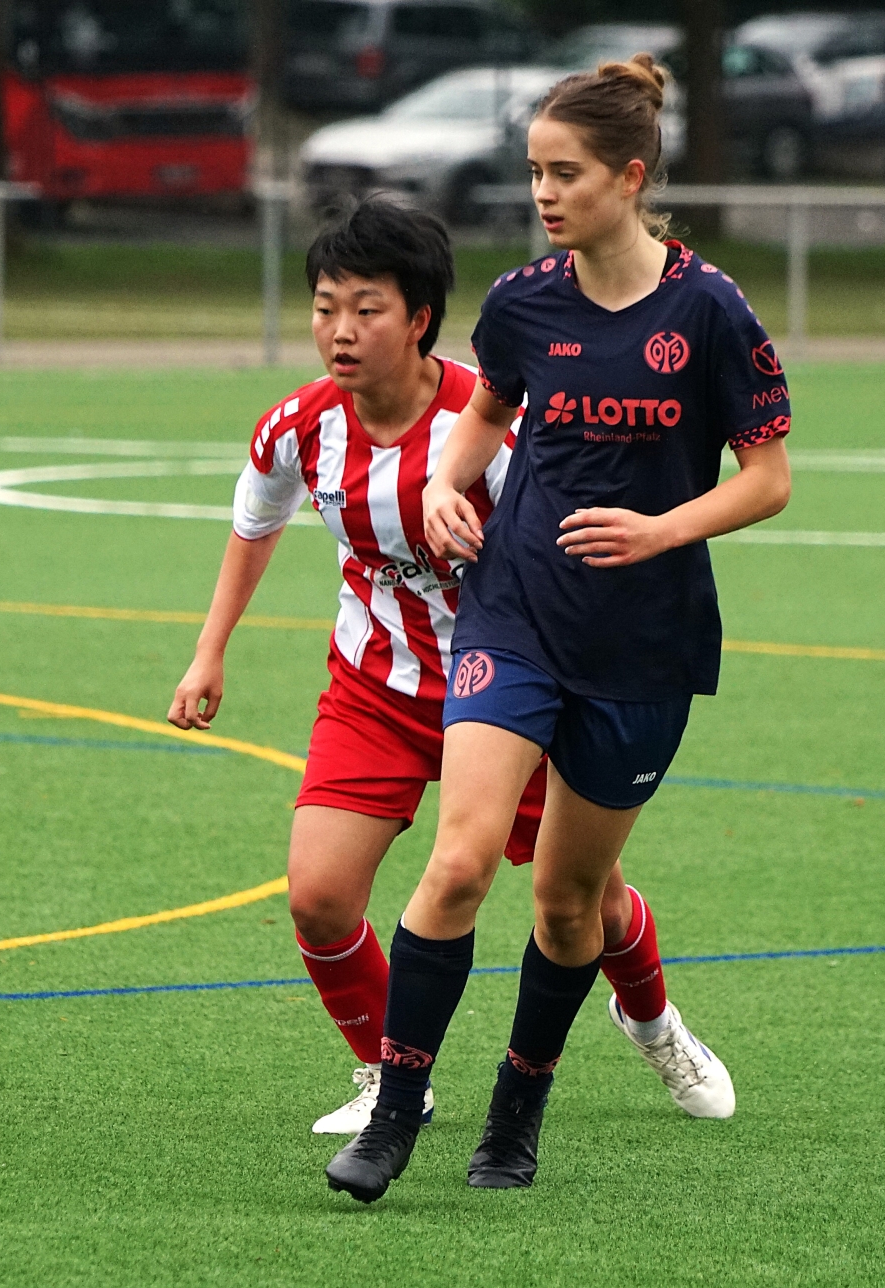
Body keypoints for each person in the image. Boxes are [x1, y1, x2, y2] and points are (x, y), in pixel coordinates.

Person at [325, 54, 792, 1202]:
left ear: (629, 177)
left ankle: (518, 1104)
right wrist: (447, 484)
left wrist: (660, 529)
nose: (543, 192)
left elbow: (768, 478)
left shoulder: (709, 309)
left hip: (643, 646)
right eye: (535, 171)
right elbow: (485, 411)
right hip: (516, 611)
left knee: (569, 900)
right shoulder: (524, 299)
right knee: (459, 859)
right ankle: (394, 1110)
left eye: (565, 172)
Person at [168, 194, 720, 1137]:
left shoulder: (496, 420)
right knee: (319, 898)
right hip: (375, 689)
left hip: (512, 689)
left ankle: (654, 1021)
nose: (340, 331)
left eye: (366, 309)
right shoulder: (297, 427)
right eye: (325, 308)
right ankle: (393, 1078)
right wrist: (208, 651)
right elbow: (253, 523)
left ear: (419, 318)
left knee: (587, 899)